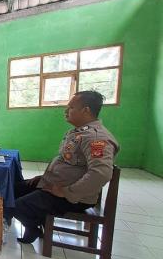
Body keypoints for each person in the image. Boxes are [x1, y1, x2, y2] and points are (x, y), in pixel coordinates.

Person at [14, 91, 119, 244]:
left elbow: (101, 174)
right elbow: (66, 162)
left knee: (18, 205)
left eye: (71, 107)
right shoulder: (79, 132)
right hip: (55, 185)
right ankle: (36, 221)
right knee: (13, 189)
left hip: (72, 196)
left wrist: (66, 192)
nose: (66, 111)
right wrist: (43, 179)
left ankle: (34, 228)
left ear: (86, 110)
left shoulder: (96, 138)